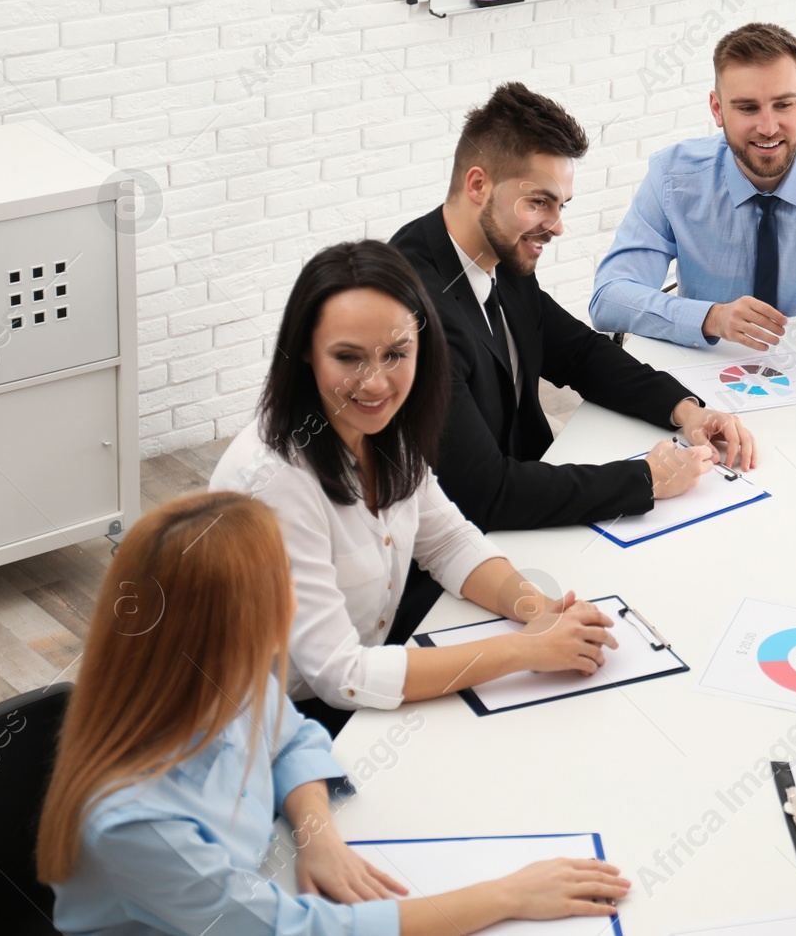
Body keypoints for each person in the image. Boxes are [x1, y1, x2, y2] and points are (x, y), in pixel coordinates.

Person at [38, 491, 630, 935]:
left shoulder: (216, 675)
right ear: (242, 622)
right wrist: (509, 896)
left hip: (260, 878)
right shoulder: (135, 823)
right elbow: (305, 931)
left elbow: (291, 738)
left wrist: (315, 832)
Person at [211, 240, 618, 737]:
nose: (377, 383)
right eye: (348, 357)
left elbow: (447, 539)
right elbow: (342, 677)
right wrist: (524, 650)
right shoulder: (276, 483)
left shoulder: (385, 428)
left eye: (395, 354)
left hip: (363, 682)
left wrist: (540, 611)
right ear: (303, 356)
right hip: (273, 729)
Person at [388, 82, 755, 533]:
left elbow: (579, 353)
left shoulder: (498, 252)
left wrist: (686, 410)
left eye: (560, 205)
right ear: (479, 185)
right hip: (467, 542)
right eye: (539, 202)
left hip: (537, 491)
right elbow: (483, 493)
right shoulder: (412, 311)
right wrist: (647, 478)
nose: (557, 227)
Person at [588, 22, 796, 363]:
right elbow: (609, 298)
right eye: (747, 108)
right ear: (717, 109)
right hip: (708, 370)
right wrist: (712, 318)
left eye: (783, 105)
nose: (767, 128)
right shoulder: (673, 177)